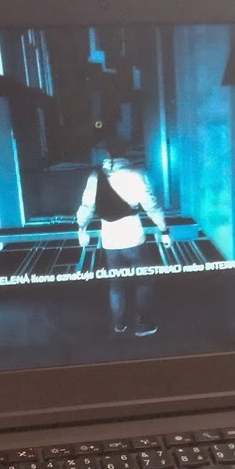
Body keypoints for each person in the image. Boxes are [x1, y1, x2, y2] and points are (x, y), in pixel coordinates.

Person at [76, 140, 172, 337]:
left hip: (110, 239)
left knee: (116, 285)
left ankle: (119, 324)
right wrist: (164, 231)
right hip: (133, 236)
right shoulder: (135, 174)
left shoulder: (95, 176)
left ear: (107, 153)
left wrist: (81, 229)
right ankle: (143, 325)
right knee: (144, 281)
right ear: (126, 153)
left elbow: (86, 207)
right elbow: (152, 207)